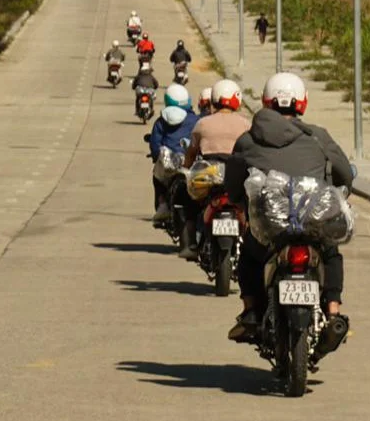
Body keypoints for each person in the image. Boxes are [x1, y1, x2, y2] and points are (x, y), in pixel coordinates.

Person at [224, 72, 353, 348]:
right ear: (302, 103)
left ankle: (250, 312)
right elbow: (344, 174)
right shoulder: (319, 137)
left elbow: (233, 183)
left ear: (266, 102)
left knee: (250, 255)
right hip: (314, 223)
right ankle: (333, 312)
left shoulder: (248, 140)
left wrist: (239, 203)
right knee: (330, 254)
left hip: (271, 226)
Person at [180, 79, 252, 260]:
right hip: (237, 174)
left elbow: (191, 152)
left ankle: (192, 242)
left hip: (208, 174)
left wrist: (185, 170)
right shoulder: (245, 124)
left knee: (188, 199)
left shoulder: (203, 123)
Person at [148, 83, 199, 223]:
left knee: (157, 178)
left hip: (168, 164)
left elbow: (155, 145)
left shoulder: (161, 122)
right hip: (190, 164)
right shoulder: (195, 120)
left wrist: (156, 157)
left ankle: (162, 203)